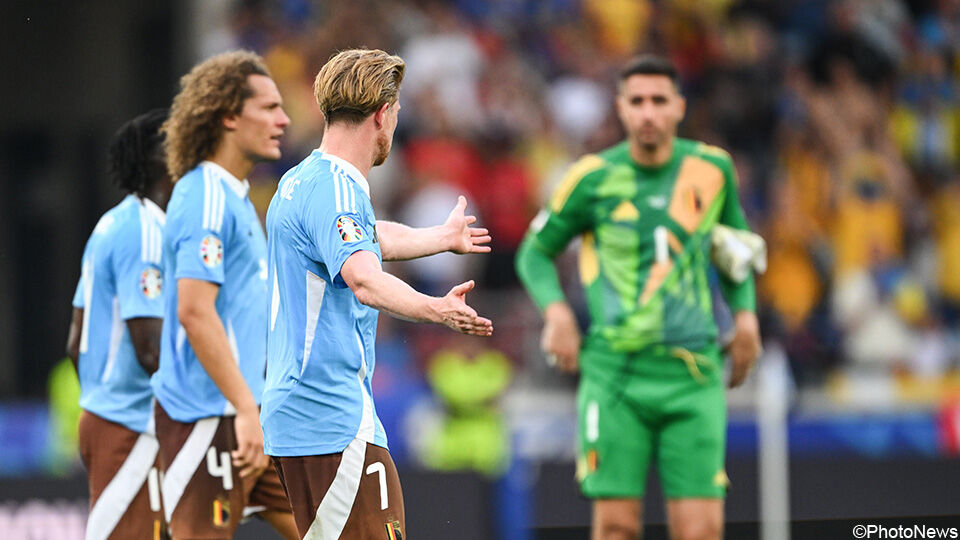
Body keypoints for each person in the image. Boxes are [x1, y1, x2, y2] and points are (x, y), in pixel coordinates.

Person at [515, 55, 763, 540]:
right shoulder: (591, 177)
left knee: (701, 530)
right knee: (616, 527)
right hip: (615, 376)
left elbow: (735, 253)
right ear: (621, 109)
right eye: (637, 102)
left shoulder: (713, 170)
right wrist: (558, 313)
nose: (648, 112)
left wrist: (747, 318)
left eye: (659, 101)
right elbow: (533, 253)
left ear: (679, 108)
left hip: (693, 374)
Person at [261, 48, 494, 539]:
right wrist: (438, 310)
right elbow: (363, 278)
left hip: (301, 414)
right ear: (382, 113)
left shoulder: (302, 180)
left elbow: (367, 237)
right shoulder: (339, 190)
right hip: (330, 415)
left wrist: (440, 238)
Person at [150, 50, 297, 540]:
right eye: (269, 107)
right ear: (229, 115)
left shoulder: (235, 198)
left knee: (327, 529)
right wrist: (244, 408)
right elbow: (194, 312)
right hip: (207, 419)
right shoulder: (204, 194)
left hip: (247, 419)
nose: (284, 120)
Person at [66, 109, 172, 539]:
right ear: (158, 158)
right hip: (130, 423)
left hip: (109, 415)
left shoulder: (112, 222)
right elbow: (150, 349)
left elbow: (75, 341)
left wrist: (100, 397)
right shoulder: (144, 231)